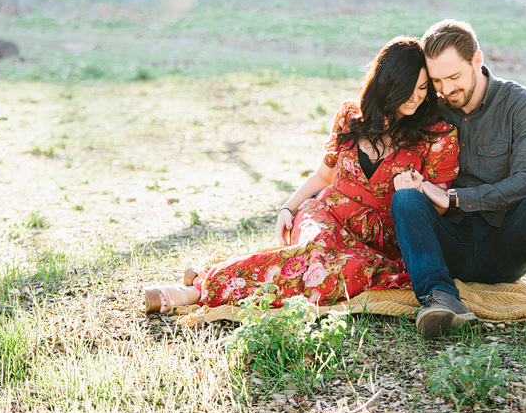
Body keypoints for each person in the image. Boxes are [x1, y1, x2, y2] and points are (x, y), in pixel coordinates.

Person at [143, 37, 459, 313]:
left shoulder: (437, 136)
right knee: (314, 253)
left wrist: (420, 190)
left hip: (378, 240)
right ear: (387, 82)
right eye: (407, 89)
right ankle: (196, 291)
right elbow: (324, 176)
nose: (415, 98)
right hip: (327, 213)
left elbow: (439, 209)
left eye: (422, 89)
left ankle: (210, 276)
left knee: (326, 275)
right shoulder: (352, 116)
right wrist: (288, 207)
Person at [390, 19, 526, 339]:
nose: (445, 89)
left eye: (454, 77)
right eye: (436, 80)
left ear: (477, 60)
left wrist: (455, 199)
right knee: (405, 198)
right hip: (447, 245)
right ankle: (439, 298)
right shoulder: (429, 106)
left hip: (506, 245)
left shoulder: (521, 104)